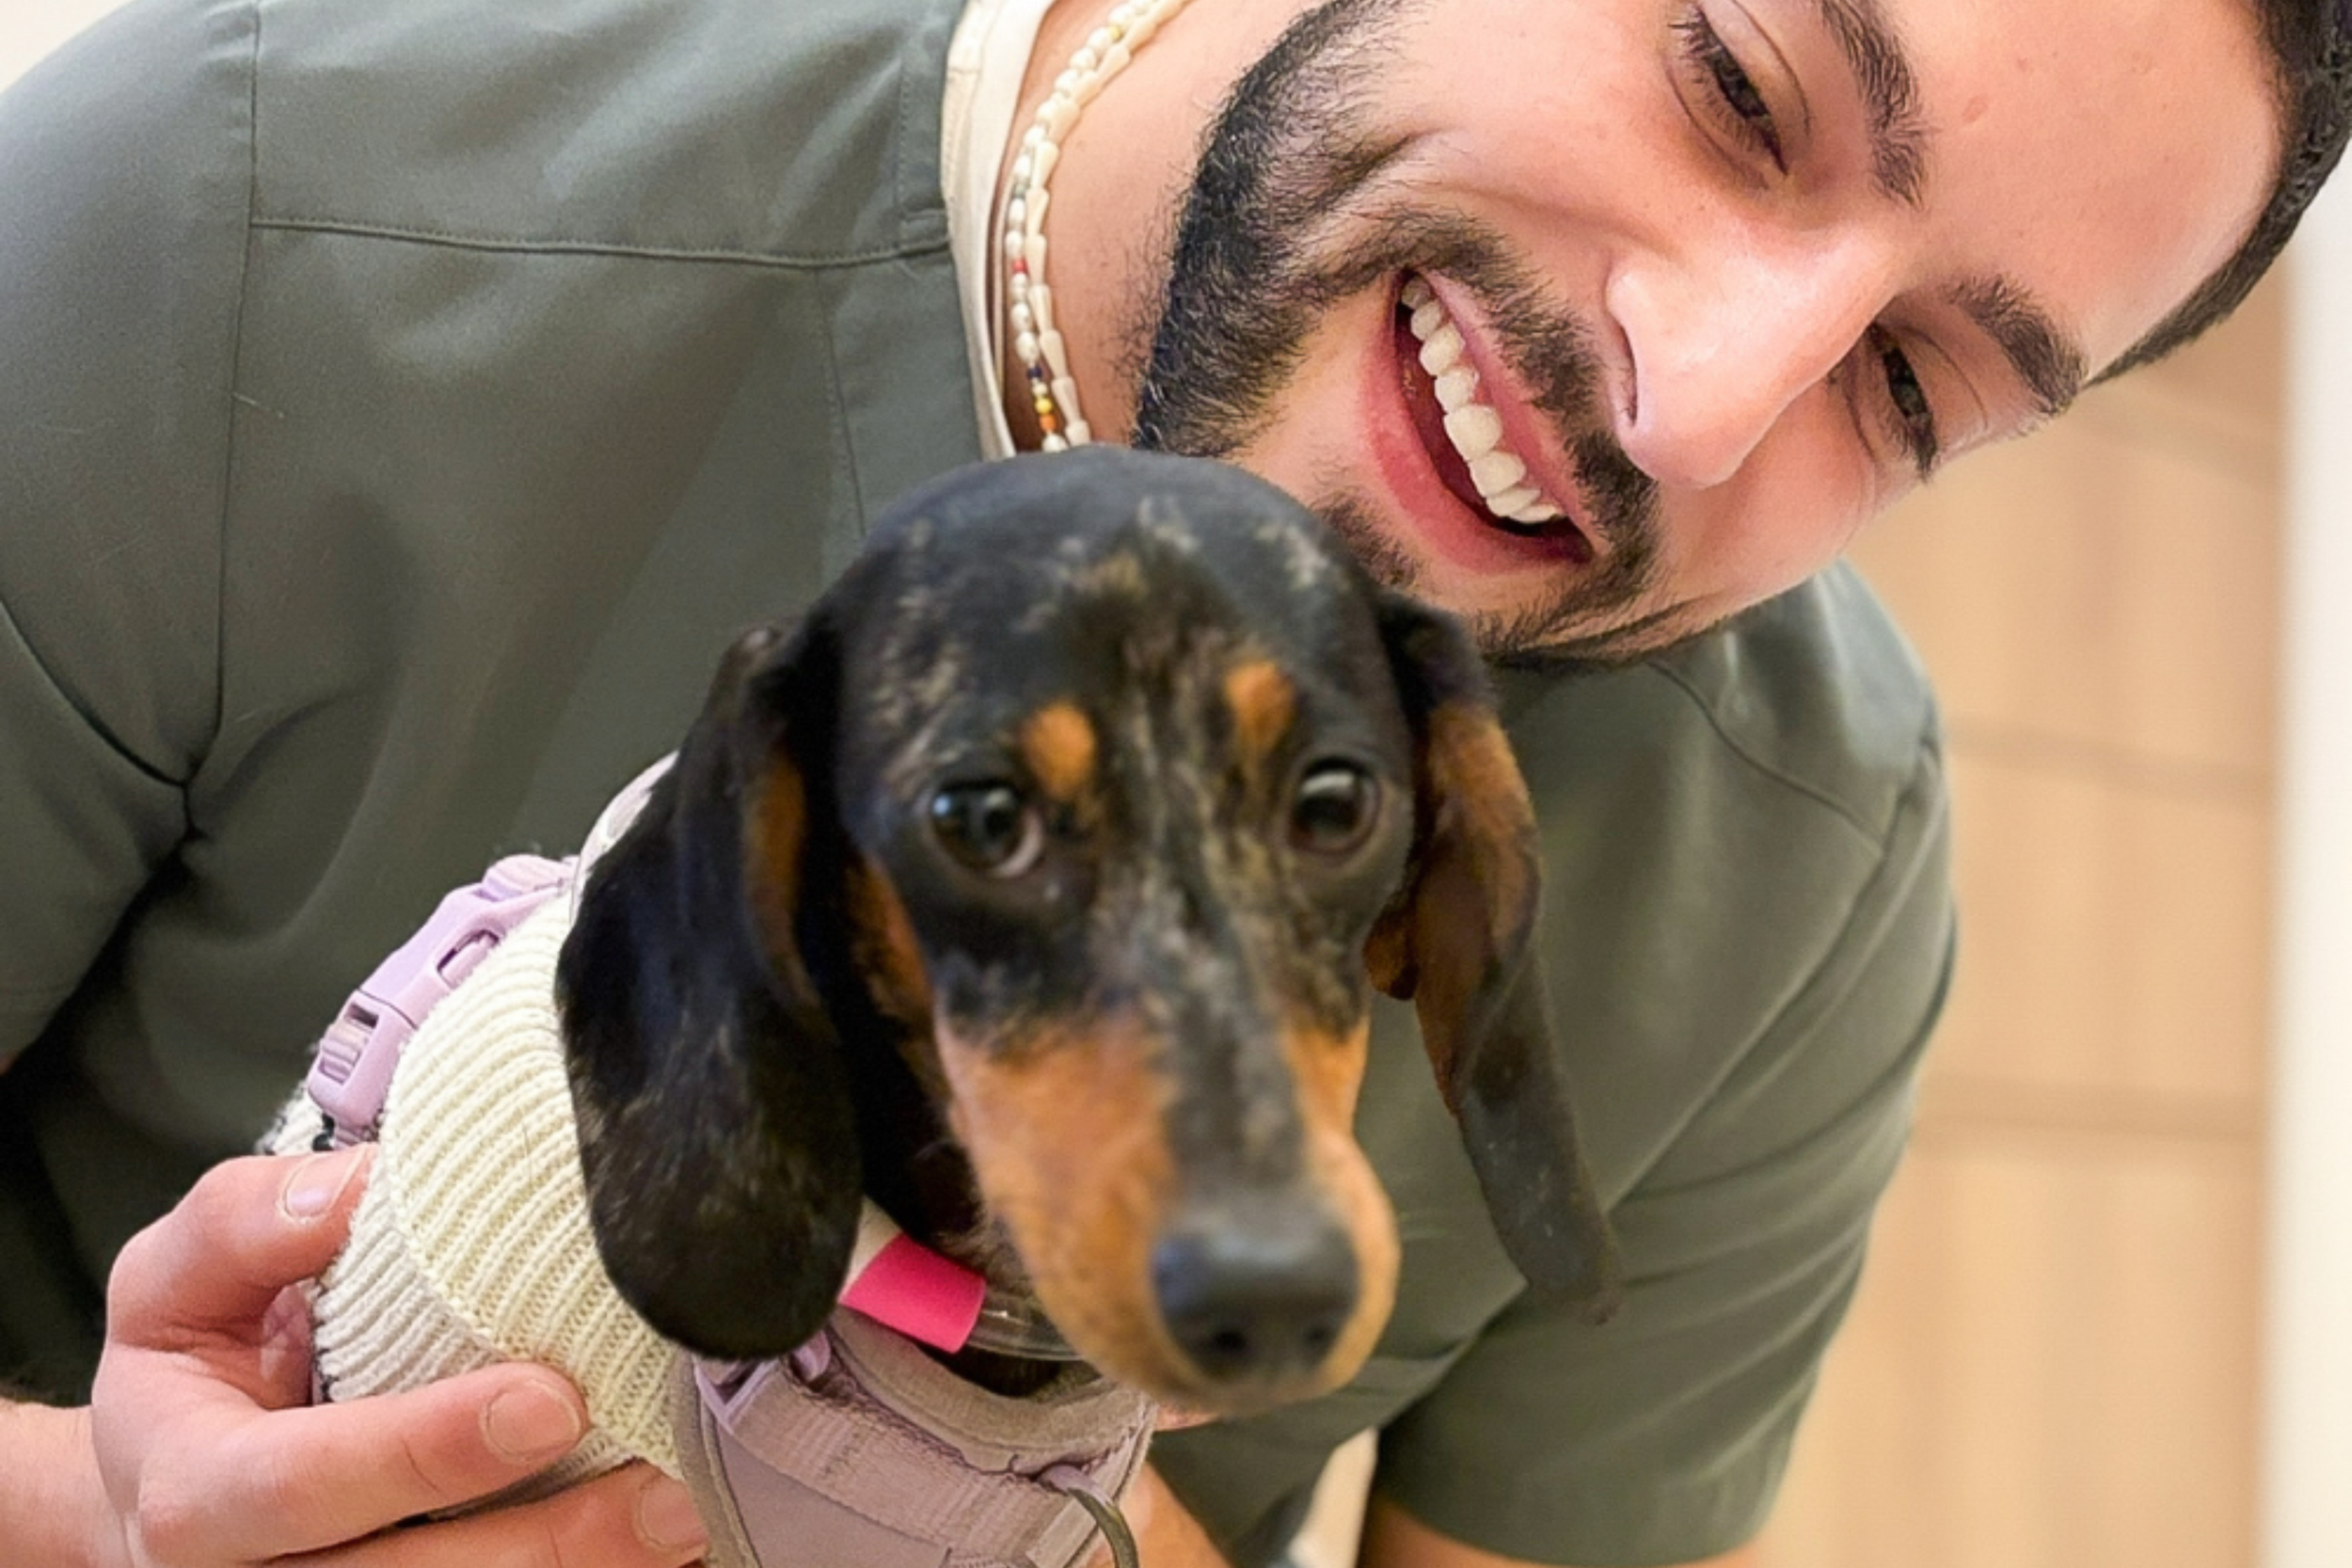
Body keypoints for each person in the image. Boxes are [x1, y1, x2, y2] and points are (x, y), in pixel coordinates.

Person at [0, 0, 2337, 1562]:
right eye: (1734, 81)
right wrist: (103, 1522)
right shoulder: (213, 226)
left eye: (1908, 385)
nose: (1693, 400)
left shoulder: (1799, 839)